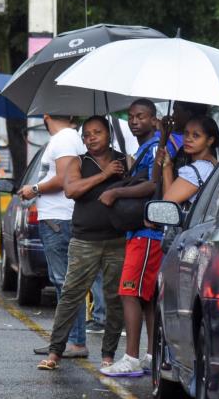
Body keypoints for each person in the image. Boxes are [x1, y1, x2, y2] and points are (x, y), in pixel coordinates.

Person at [96, 99, 182, 377]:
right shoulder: (149, 146)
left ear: (154, 119)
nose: (134, 121)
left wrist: (116, 192)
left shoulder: (160, 144)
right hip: (139, 231)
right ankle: (150, 354)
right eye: (131, 116)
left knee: (129, 292)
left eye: (141, 116)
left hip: (149, 232)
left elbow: (151, 185)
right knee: (145, 297)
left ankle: (131, 357)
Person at [37, 116, 128, 371]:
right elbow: (72, 190)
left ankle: (108, 355)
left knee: (114, 299)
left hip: (117, 240)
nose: (91, 138)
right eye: (86, 134)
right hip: (84, 240)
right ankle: (55, 352)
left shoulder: (124, 161)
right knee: (70, 294)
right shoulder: (79, 162)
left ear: (109, 134)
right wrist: (105, 176)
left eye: (97, 132)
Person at [18, 115, 104, 359]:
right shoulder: (65, 138)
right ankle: (65, 341)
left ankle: (75, 342)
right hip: (58, 218)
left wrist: (33, 189)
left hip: (58, 220)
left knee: (65, 283)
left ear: (46, 116)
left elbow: (65, 177)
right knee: (64, 282)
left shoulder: (65, 138)